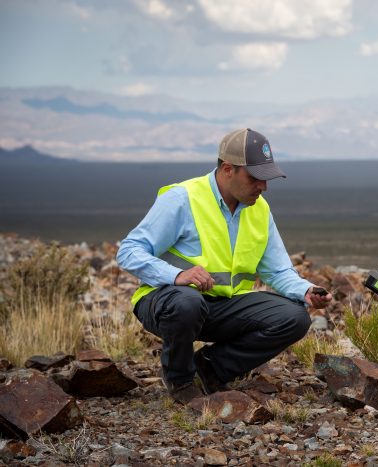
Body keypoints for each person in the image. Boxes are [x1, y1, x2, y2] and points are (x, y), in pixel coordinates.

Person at [117, 128, 331, 404]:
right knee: (187, 303)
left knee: (294, 317)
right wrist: (177, 275)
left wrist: (306, 291)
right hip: (168, 303)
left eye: (267, 179)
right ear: (228, 169)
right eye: (256, 178)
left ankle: (209, 369)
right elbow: (129, 251)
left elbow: (277, 270)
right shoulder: (182, 198)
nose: (263, 187)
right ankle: (180, 381)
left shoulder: (259, 209)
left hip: (221, 308)